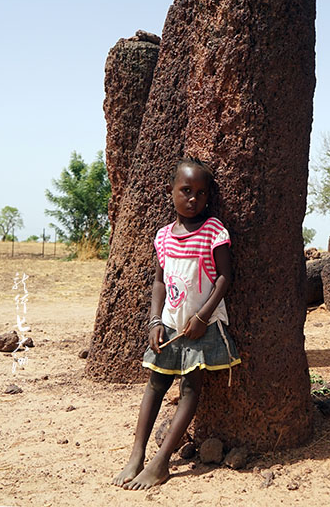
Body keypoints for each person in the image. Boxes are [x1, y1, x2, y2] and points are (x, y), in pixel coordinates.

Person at [113, 157, 240, 490]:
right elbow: (158, 282)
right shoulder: (164, 236)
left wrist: (202, 317)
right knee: (155, 385)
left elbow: (225, 277)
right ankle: (136, 455)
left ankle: (161, 461)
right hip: (169, 325)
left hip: (200, 326)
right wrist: (154, 320)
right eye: (186, 190)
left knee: (189, 389)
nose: (193, 198)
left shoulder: (214, 231)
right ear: (171, 191)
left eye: (201, 192)